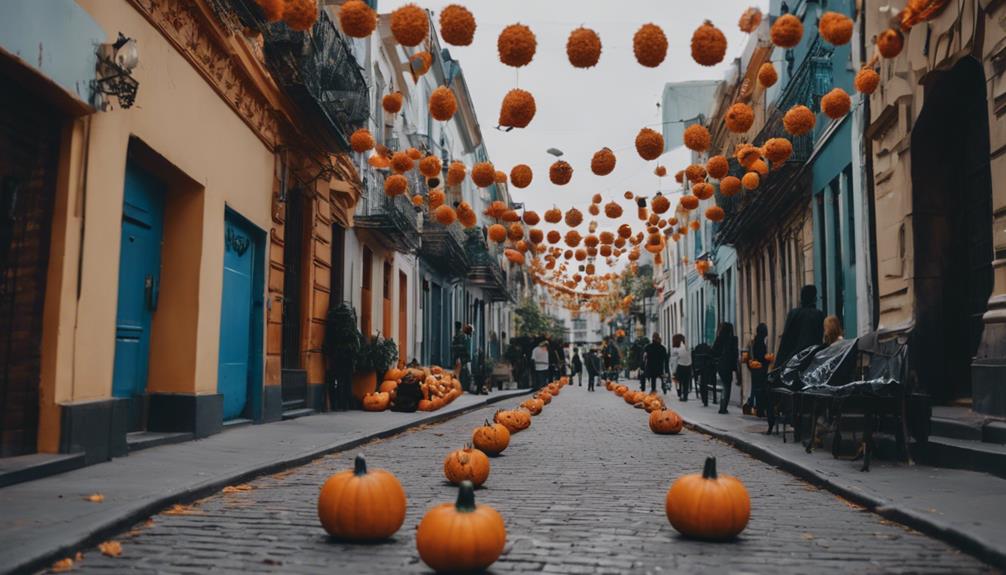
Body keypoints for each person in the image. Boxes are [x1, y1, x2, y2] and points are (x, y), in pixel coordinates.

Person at [776, 285, 826, 368]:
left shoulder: (793, 314)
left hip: (793, 361)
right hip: (812, 362)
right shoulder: (818, 315)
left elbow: (786, 340)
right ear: (814, 298)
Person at [713, 322, 740, 414]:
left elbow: (714, 351)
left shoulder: (719, 339)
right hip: (729, 365)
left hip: (721, 365)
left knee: (725, 385)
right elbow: (735, 354)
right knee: (727, 386)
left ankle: (722, 406)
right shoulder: (734, 339)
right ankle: (723, 407)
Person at [744, 323, 769, 416]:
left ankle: (751, 404)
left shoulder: (754, 341)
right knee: (759, 389)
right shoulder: (760, 342)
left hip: (754, 368)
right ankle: (758, 409)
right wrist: (767, 360)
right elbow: (760, 356)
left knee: (755, 388)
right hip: (759, 368)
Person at [692, 340, 716, 406]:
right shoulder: (708, 350)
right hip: (707, 368)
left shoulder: (697, 350)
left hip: (699, 368)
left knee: (702, 383)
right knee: (705, 382)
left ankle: (704, 399)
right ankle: (709, 399)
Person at [671, 334, 692, 401]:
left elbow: (674, 360)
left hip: (680, 366)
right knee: (686, 382)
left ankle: (680, 393)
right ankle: (685, 395)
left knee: (679, 381)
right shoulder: (687, 347)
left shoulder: (676, 349)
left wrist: (673, 371)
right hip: (688, 366)